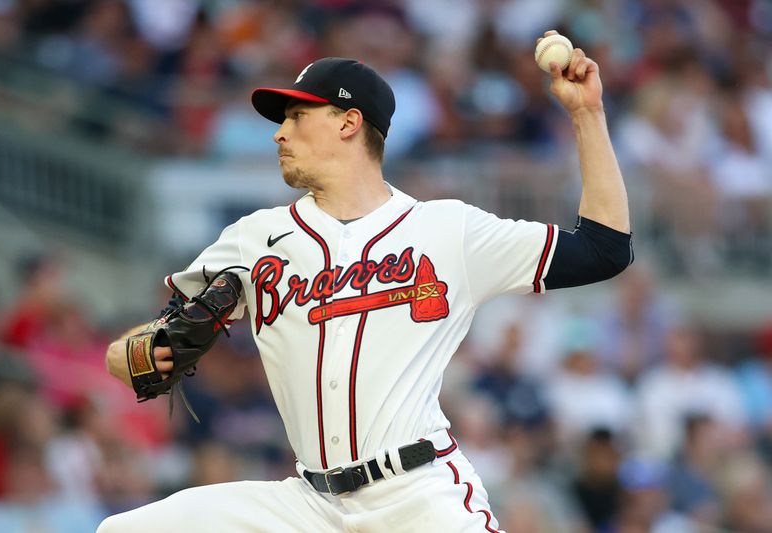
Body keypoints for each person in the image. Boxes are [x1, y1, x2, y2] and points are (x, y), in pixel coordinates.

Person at [98, 30, 632, 532]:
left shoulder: (448, 230)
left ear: (348, 123)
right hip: (308, 504)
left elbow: (603, 248)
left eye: (297, 115)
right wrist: (140, 354)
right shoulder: (254, 238)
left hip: (417, 495)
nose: (280, 132)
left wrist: (587, 114)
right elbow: (132, 354)